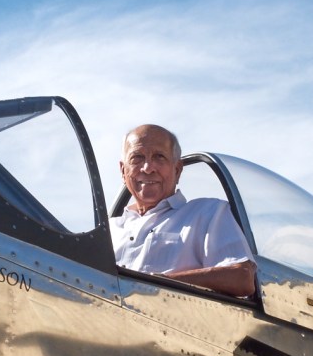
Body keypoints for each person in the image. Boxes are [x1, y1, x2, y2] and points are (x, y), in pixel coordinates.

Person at [110, 124, 256, 298]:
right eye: (137, 158)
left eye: (159, 157)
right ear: (122, 171)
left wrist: (154, 286)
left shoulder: (208, 213)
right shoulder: (109, 229)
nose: (148, 167)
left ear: (177, 170)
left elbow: (241, 277)